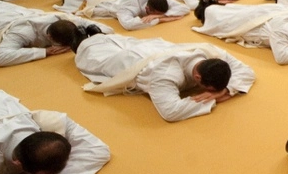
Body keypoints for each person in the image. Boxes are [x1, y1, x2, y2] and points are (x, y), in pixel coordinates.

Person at [75, 33, 255, 122]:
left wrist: (226, 91)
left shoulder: (213, 53)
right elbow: (171, 111)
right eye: (207, 90)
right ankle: (82, 38)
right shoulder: (164, 74)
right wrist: (212, 100)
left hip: (156, 49)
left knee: (124, 42)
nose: (210, 93)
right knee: (90, 54)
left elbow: (247, 71)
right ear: (198, 77)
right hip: (131, 62)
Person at [0, 0, 111, 66]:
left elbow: (99, 26)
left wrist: (97, 32)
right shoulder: (23, 32)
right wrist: (45, 52)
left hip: (23, 13)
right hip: (1, 23)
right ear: (49, 37)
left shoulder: (62, 19)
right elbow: (1, 57)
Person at [192, 0, 288, 64]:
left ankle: (213, 6)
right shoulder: (284, 30)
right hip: (255, 24)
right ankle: (205, 8)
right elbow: (281, 56)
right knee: (219, 18)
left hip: (275, 13)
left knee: (234, 11)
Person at [55, 0, 190, 30]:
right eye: (154, 13)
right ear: (148, 9)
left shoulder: (161, 0)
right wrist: (160, 20)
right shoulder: (129, 7)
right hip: (110, 4)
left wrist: (161, 15)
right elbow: (128, 25)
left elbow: (184, 8)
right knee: (82, 2)